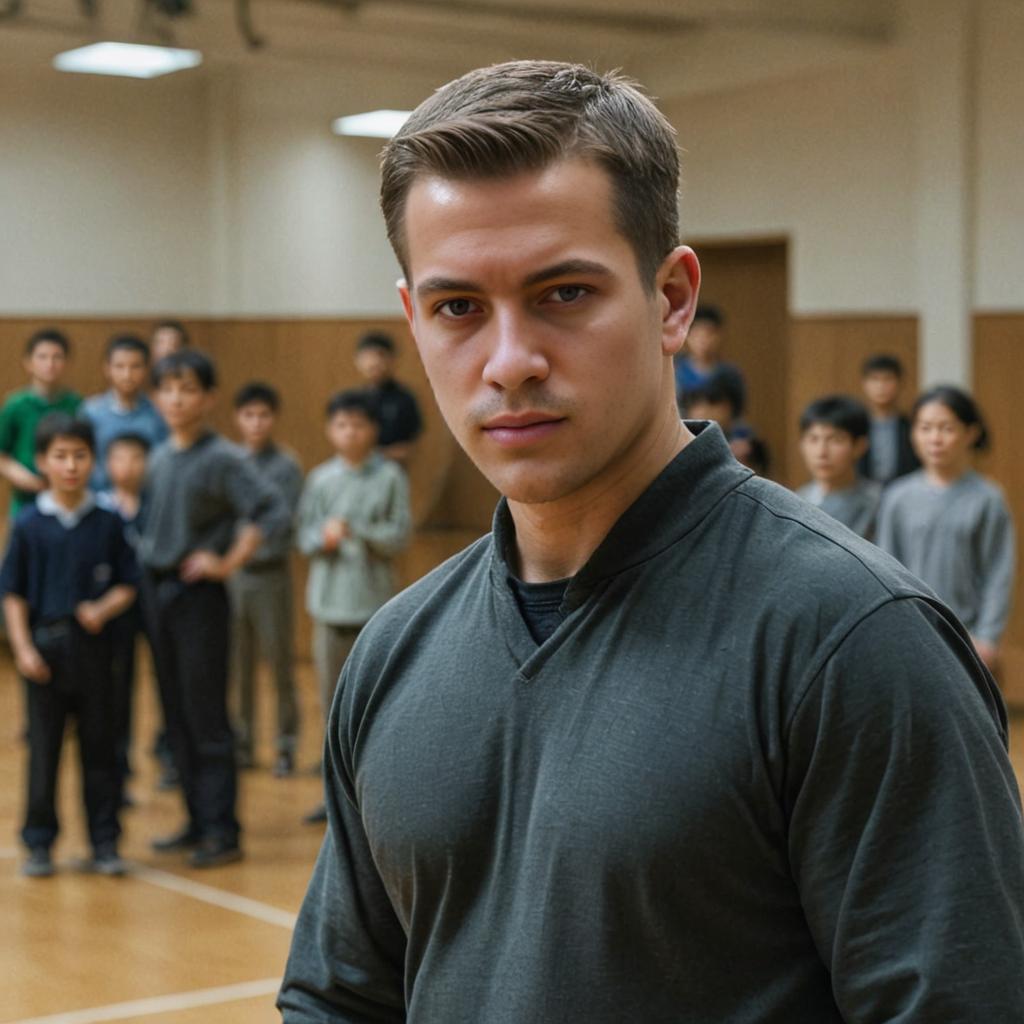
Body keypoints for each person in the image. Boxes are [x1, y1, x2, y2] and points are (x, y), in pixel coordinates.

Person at [279, 60, 1024, 1021]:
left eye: (563, 294)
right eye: (459, 307)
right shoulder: (394, 650)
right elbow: (338, 997)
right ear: (412, 319)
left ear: (672, 299)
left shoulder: (854, 642)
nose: (509, 362)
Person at [139, 349, 288, 868]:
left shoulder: (222, 457)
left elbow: (271, 508)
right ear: (156, 397)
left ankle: (223, 831)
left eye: (187, 389)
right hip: (156, 596)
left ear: (208, 397)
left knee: (206, 715)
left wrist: (226, 563)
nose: (176, 399)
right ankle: (196, 820)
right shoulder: (158, 458)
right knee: (175, 714)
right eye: (167, 389)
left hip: (198, 598)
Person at [0, 414, 138, 878]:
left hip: (96, 654)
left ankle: (104, 841)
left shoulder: (107, 521)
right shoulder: (31, 525)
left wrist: (102, 610)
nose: (70, 465)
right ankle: (39, 842)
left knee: (101, 751)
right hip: (45, 654)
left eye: (79, 455)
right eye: (60, 456)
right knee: (44, 752)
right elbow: (14, 594)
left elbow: (128, 584)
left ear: (91, 460)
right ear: (42, 462)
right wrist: (22, 650)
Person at [294, 389, 411, 823]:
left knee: (378, 708)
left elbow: (399, 536)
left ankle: (378, 798)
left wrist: (358, 530)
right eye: (341, 424)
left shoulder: (391, 478)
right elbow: (302, 536)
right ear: (330, 430)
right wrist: (322, 538)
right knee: (331, 706)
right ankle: (336, 800)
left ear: (373, 430)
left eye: (359, 424)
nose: (350, 432)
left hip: (375, 610)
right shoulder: (321, 479)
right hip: (329, 609)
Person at [877, 385, 1016, 672]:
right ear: (913, 434)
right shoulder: (897, 498)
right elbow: (885, 568)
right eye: (925, 428)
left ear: (970, 433)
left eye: (946, 428)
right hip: (910, 633)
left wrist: (988, 637)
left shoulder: (988, 498)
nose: (935, 438)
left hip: (969, 638)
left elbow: (998, 573)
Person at [229, 381, 304, 777]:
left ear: (273, 419)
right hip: (234, 576)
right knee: (238, 665)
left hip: (271, 575)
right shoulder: (229, 462)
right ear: (237, 419)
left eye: (263, 415)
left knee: (279, 663)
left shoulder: (286, 466)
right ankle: (242, 743)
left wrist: (248, 545)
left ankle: (285, 744)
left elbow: (283, 523)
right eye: (248, 415)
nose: (256, 423)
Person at [96, 433, 151, 805]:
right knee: (115, 692)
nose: (127, 467)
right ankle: (118, 770)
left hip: (157, 606)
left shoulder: (154, 505)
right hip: (116, 612)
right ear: (106, 465)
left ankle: (170, 759)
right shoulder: (100, 509)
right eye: (119, 459)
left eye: (136, 459)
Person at [0, 329, 81, 519]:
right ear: (29, 362)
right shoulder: (15, 405)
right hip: (25, 499)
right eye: (42, 357)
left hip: (67, 495)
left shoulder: (75, 404)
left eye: (57, 357)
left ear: (67, 363)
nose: (50, 364)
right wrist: (25, 478)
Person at [80, 334, 168, 492]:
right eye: (120, 366)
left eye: (135, 366)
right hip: (100, 500)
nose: (127, 374)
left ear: (147, 369)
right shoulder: (90, 412)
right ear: (107, 368)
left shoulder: (159, 413)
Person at [796, 394, 882, 540]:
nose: (821, 452)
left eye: (835, 440)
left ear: (859, 446)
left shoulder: (879, 503)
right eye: (813, 439)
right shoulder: (796, 500)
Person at [353, 331, 423, 466]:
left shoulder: (404, 398)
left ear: (392, 359)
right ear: (357, 361)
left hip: (393, 469)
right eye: (367, 356)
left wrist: (373, 456)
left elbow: (408, 447)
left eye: (380, 355)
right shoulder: (354, 400)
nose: (374, 362)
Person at [673, 304, 746, 415]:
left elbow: (738, 412)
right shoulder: (676, 372)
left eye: (709, 334)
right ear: (687, 336)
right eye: (698, 334)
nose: (703, 340)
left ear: (719, 335)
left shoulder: (730, 375)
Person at [858, 353, 920, 485]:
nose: (881, 386)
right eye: (875, 379)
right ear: (864, 384)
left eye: (888, 379)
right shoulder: (855, 426)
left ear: (900, 383)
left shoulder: (912, 426)